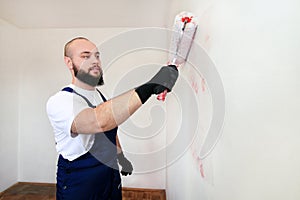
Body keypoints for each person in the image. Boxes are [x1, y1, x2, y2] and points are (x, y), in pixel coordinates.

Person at [46, 37, 178, 200]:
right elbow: (98, 121)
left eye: (97, 56)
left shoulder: (99, 95)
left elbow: (111, 128)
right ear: (68, 61)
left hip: (109, 174)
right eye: (86, 56)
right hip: (80, 182)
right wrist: (149, 87)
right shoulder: (60, 101)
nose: (94, 61)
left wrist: (120, 157)